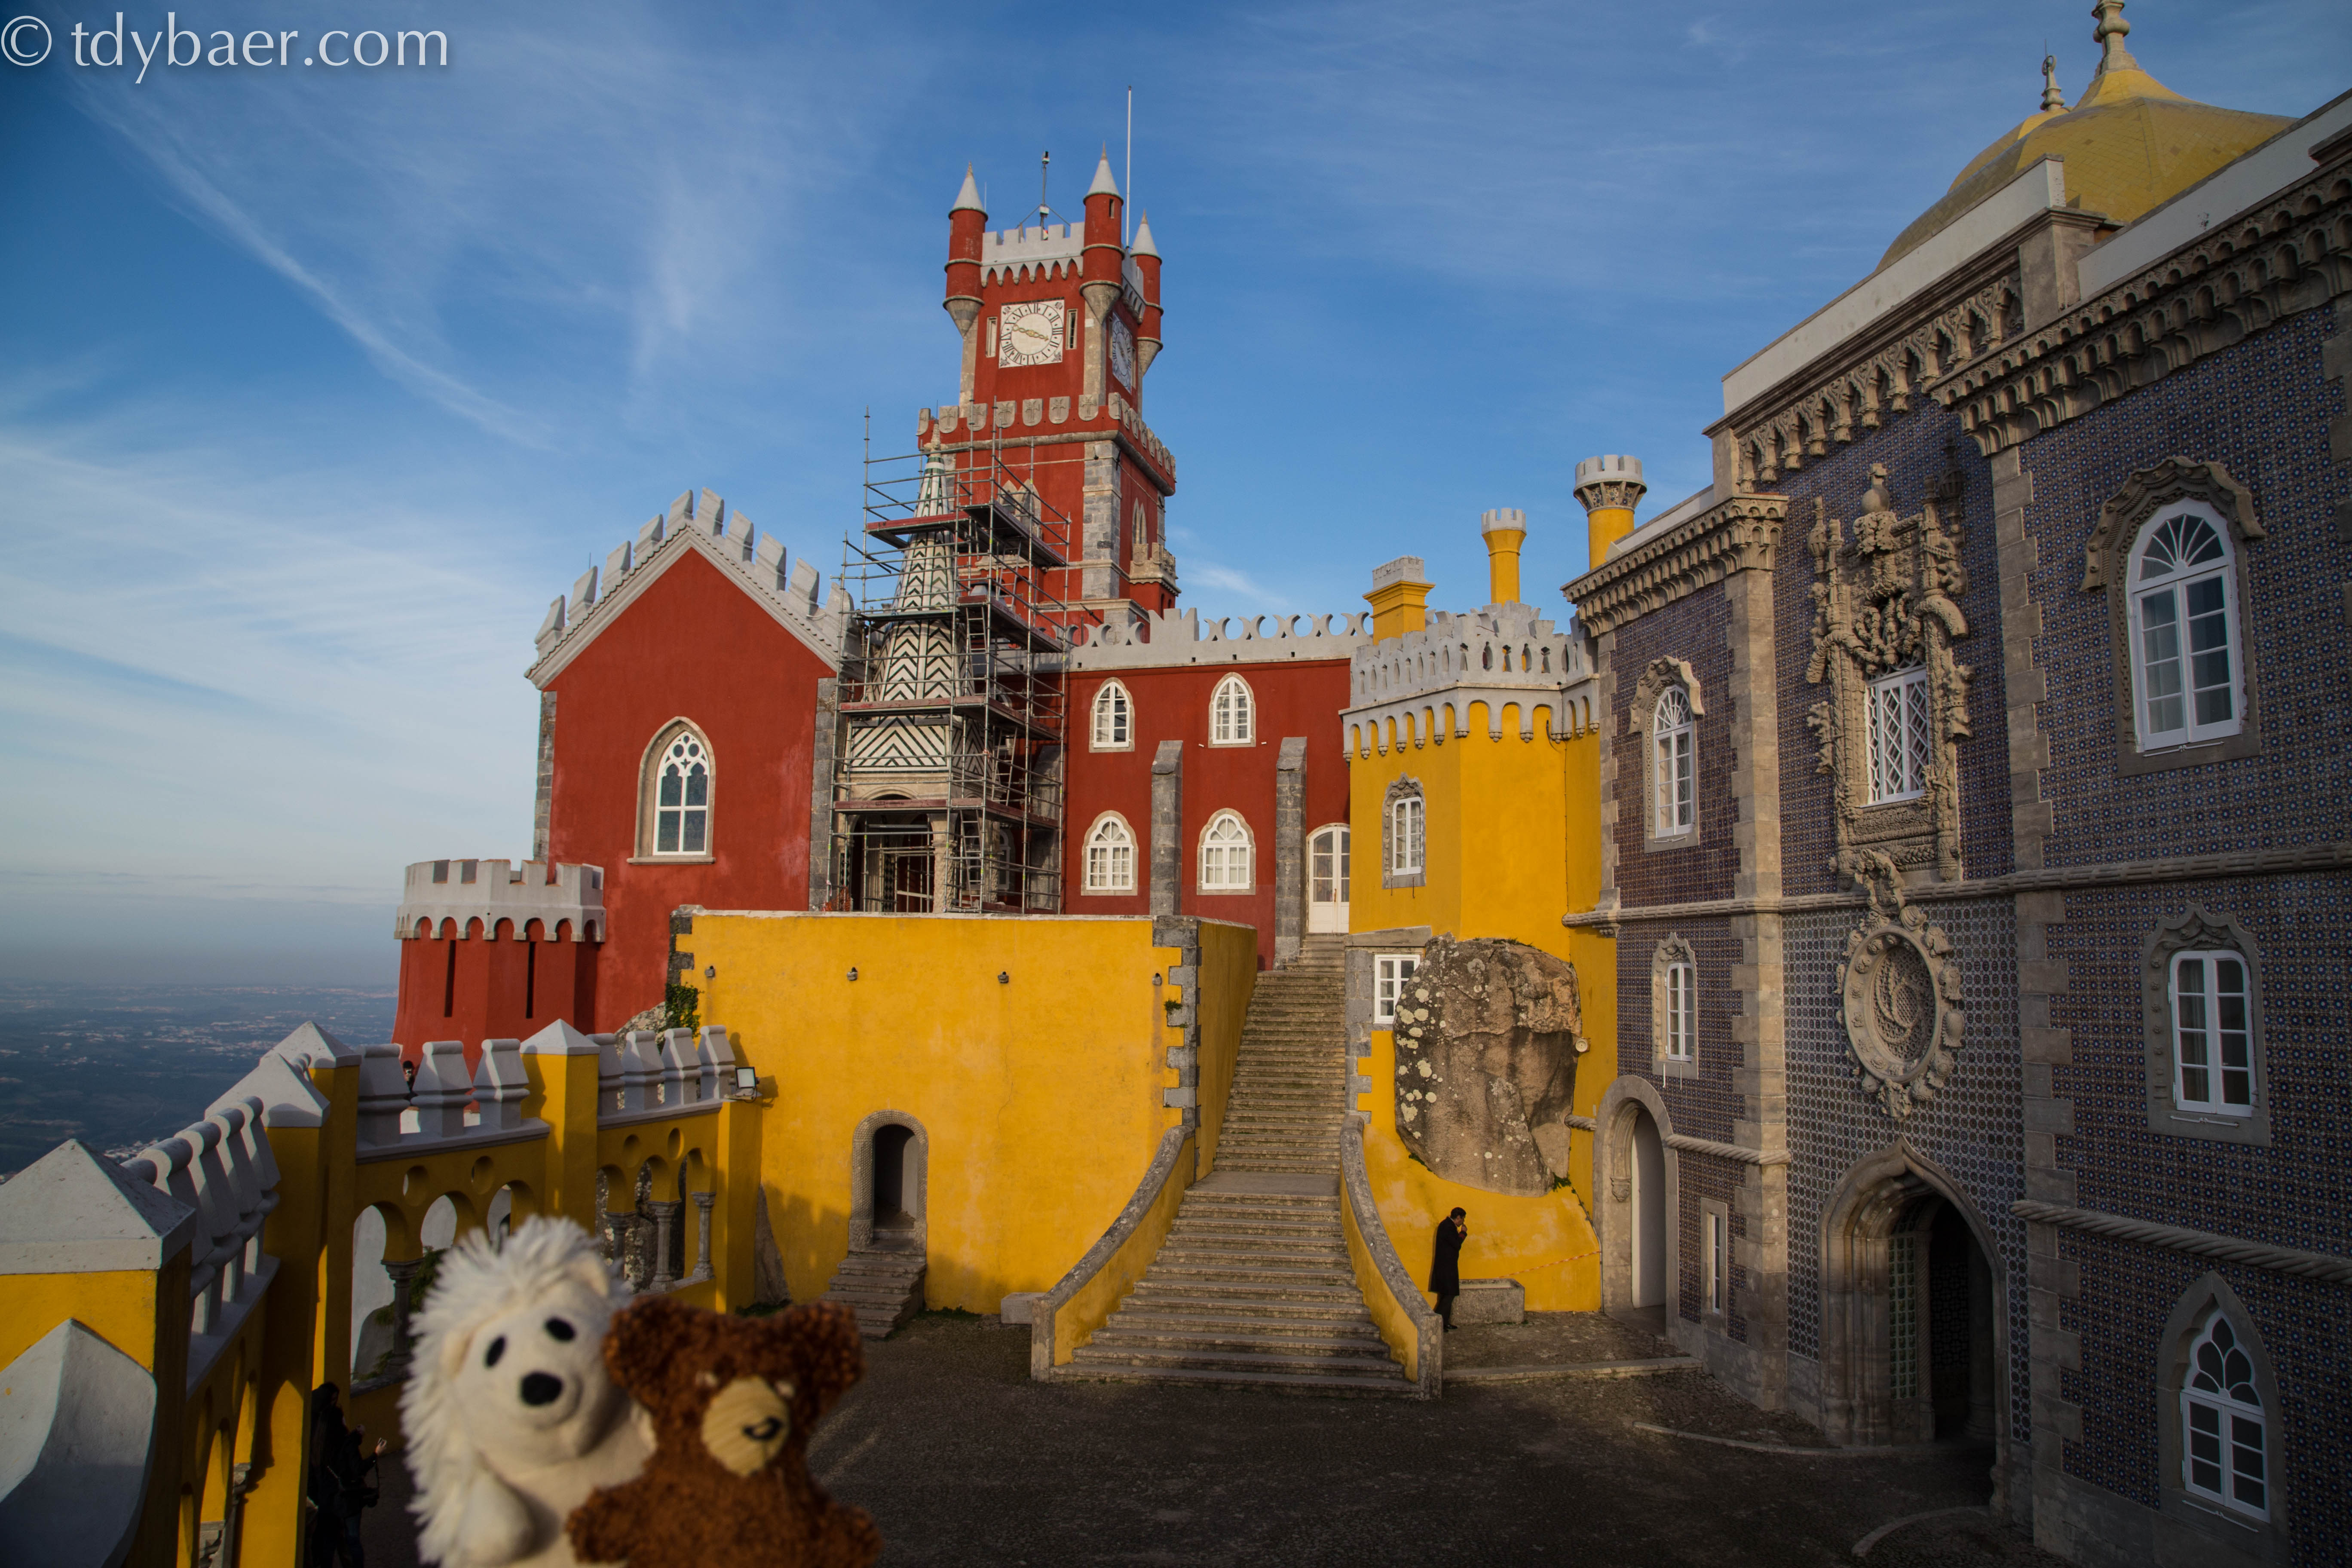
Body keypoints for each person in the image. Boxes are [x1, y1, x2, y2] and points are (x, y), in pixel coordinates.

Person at [306, 1383, 386, 1567]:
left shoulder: (318, 1444)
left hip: (327, 1499)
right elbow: (357, 1468)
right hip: (347, 1499)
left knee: (328, 1543)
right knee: (352, 1539)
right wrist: (376, 1454)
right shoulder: (346, 1444)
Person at [1430, 1207, 1467, 1331]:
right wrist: (1463, 1233)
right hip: (1447, 1267)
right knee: (1449, 1294)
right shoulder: (1448, 1227)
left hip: (1446, 1266)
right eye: (1463, 1219)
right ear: (1458, 1218)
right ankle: (1437, 1323)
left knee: (1446, 1294)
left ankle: (1444, 1322)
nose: (1463, 1222)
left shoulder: (1446, 1225)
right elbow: (1456, 1244)